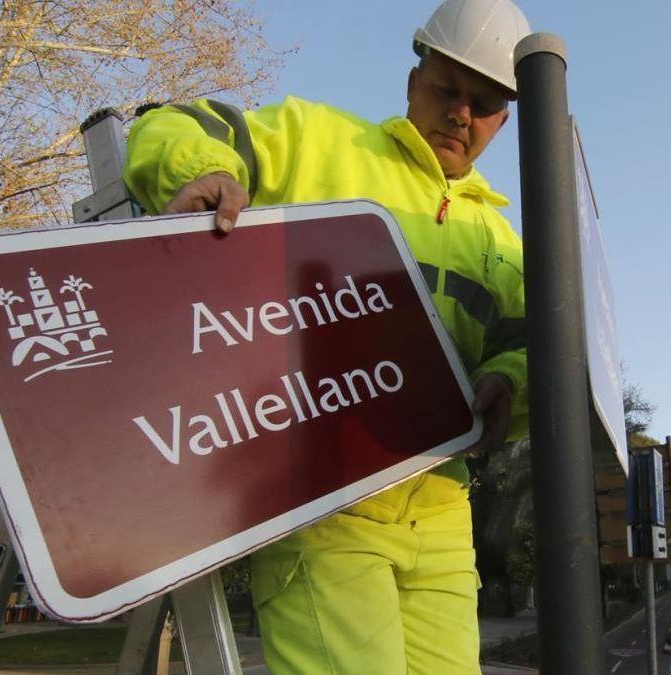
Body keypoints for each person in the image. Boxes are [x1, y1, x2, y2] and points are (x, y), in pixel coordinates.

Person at [123, 1, 531, 672]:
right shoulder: (320, 138)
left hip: (443, 512)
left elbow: (533, 352)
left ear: (503, 120)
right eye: (447, 88)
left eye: (483, 102)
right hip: (323, 499)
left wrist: (507, 380)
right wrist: (204, 169)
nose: (461, 112)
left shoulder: (501, 240)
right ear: (411, 81)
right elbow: (180, 122)